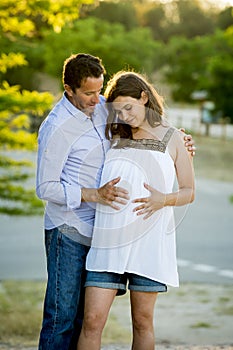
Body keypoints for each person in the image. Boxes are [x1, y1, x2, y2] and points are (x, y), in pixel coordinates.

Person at [36, 53, 195, 350]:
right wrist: (95, 194)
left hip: (119, 234)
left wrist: (181, 144)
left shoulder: (103, 113)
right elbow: (45, 187)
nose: (98, 101)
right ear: (69, 89)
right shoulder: (60, 127)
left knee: (109, 320)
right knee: (68, 318)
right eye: (89, 93)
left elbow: (159, 144)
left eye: (100, 92)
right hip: (75, 234)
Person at [77, 71, 195, 350]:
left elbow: (189, 191)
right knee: (92, 320)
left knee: (142, 321)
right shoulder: (112, 136)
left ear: (144, 97)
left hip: (150, 244)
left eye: (129, 107)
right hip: (108, 243)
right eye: (118, 111)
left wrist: (162, 200)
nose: (125, 116)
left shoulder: (175, 139)